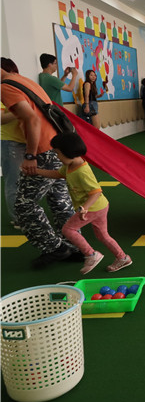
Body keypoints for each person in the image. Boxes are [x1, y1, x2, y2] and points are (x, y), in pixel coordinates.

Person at [1, 57, 79, 268]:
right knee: (60, 200)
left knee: (24, 205)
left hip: (43, 150)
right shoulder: (24, 80)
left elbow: (32, 119)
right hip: (57, 147)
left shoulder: (6, 87)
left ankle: (56, 249)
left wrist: (30, 155)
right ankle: (75, 245)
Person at [34, 133, 132, 274]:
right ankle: (123, 258)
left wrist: (84, 208)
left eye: (58, 153)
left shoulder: (82, 171)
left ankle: (91, 255)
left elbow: (96, 192)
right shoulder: (70, 166)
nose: (57, 157)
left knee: (68, 230)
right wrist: (37, 171)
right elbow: (58, 174)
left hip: (92, 207)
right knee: (103, 236)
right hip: (100, 206)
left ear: (68, 152)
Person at [1, 59, 26, 229]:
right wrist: (22, 112)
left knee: (26, 182)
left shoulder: (16, 88)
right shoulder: (2, 90)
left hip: (26, 141)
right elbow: (1, 119)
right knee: (14, 182)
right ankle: (18, 219)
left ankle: (25, 214)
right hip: (10, 143)